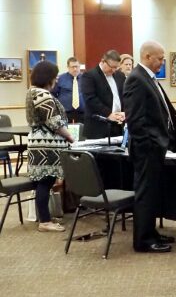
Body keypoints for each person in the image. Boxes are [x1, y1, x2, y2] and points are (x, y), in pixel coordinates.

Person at [123, 41, 176, 253]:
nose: (162, 62)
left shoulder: (148, 78)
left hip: (156, 148)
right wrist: (150, 144)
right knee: (146, 193)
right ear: (148, 57)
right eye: (159, 58)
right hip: (146, 149)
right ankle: (143, 240)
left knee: (154, 192)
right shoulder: (136, 79)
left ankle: (151, 232)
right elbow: (135, 119)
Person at [26, 61, 75, 233]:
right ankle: (45, 221)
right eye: (55, 76)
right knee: (45, 182)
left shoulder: (33, 92)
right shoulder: (43, 95)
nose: (57, 79)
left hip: (39, 144)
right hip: (46, 146)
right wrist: (70, 136)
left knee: (44, 182)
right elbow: (54, 122)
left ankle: (45, 216)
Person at [80, 50, 126, 140]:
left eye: (116, 67)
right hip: (98, 127)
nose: (113, 70)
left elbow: (124, 96)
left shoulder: (120, 76)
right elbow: (90, 99)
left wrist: (124, 112)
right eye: (111, 67)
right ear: (103, 61)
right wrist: (109, 114)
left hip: (118, 125)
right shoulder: (89, 76)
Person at [52, 57, 84, 124]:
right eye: (72, 67)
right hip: (65, 114)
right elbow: (53, 94)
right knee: (67, 134)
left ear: (79, 66)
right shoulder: (60, 78)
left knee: (83, 134)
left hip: (83, 114)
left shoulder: (86, 78)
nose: (75, 69)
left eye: (77, 67)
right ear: (68, 67)